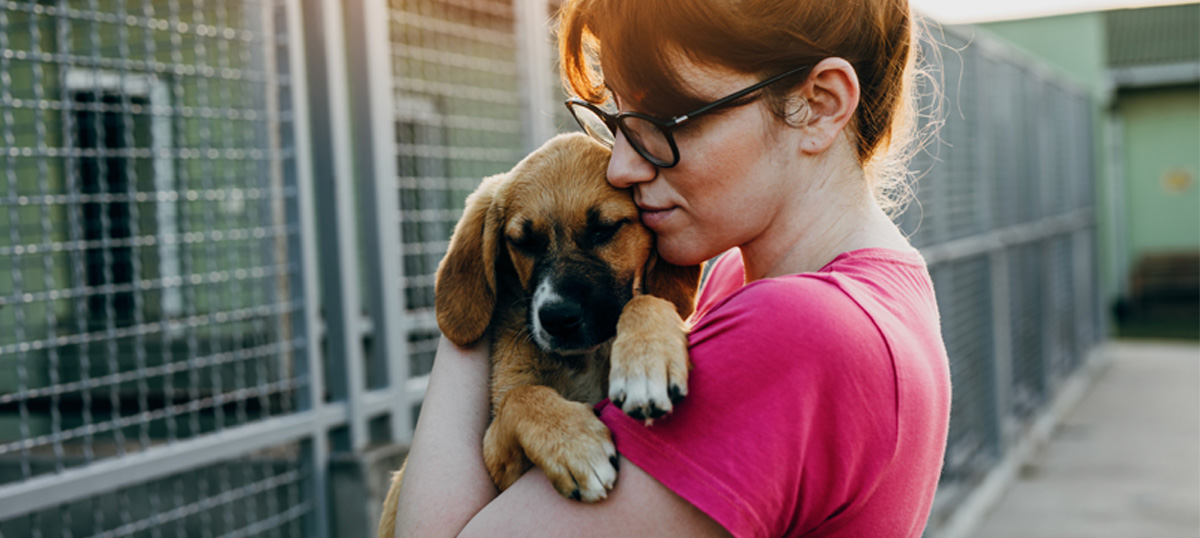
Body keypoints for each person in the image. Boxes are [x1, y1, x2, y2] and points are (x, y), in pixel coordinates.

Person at [392, 0, 951, 536]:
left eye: (666, 119)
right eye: (616, 119)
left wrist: (491, 260)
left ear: (820, 104)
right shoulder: (766, 280)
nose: (621, 166)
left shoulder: (793, 330)